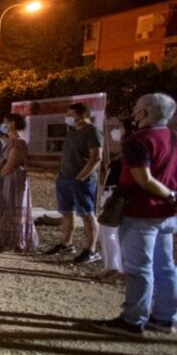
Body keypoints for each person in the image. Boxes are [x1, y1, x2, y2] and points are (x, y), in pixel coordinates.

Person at [93, 93, 177, 337]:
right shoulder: (173, 137)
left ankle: (133, 319)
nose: (133, 113)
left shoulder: (139, 140)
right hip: (167, 215)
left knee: (139, 267)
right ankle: (164, 317)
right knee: (165, 266)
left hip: (141, 211)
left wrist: (170, 195)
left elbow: (144, 179)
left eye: (136, 109)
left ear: (144, 113)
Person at [45, 102, 104, 264]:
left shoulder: (93, 132)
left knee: (87, 214)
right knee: (66, 212)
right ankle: (67, 244)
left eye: (71, 115)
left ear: (82, 115)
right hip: (65, 177)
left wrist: (81, 176)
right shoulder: (72, 132)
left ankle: (91, 250)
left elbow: (96, 157)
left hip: (82, 180)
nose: (68, 118)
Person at [0, 114, 39, 252]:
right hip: (7, 178)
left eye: (6, 122)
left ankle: (12, 241)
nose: (3, 125)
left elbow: (12, 163)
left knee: (12, 207)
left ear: (12, 123)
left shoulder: (18, 142)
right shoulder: (10, 141)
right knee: (3, 205)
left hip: (14, 178)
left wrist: (2, 173)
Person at [99, 119, 138, 279]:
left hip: (118, 193)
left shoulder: (132, 148)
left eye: (119, 127)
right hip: (111, 192)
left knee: (111, 232)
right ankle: (110, 266)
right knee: (106, 232)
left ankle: (117, 268)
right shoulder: (125, 150)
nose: (116, 131)